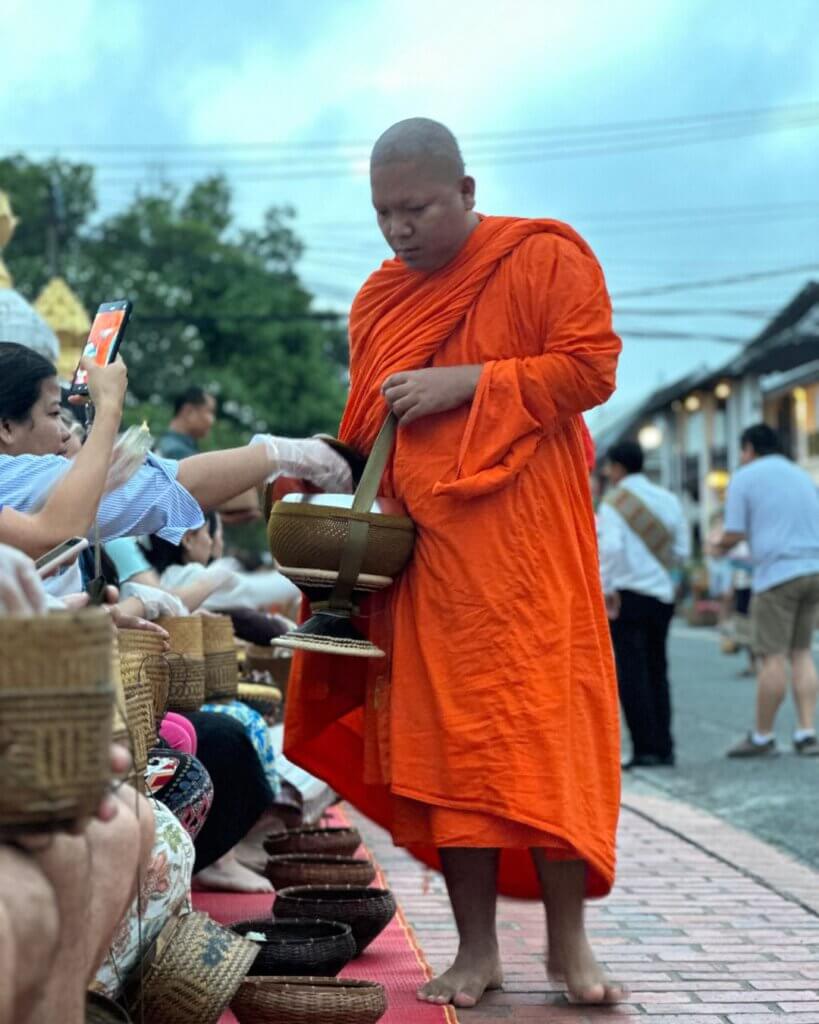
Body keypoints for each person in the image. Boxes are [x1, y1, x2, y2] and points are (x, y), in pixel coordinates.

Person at [285, 118, 623, 1007]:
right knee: (451, 759)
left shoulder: (542, 258)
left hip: (531, 555)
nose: (399, 228)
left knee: (547, 743)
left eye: (417, 208)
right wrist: (314, 469)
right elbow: (366, 430)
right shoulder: (378, 300)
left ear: (466, 193)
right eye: (383, 212)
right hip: (429, 563)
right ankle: (477, 952)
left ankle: (569, 948)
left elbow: (590, 368)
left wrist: (467, 381)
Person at [717, 423, 819, 757]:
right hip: (812, 568)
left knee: (772, 656)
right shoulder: (801, 474)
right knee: (801, 653)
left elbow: (733, 532)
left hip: (777, 574)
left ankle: (763, 736)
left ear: (749, 448)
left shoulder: (745, 477)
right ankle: (806, 732)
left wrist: (715, 546)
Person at [598, 440, 690, 769]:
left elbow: (610, 550)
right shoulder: (668, 499)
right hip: (661, 596)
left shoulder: (613, 504)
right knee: (658, 670)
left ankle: (644, 748)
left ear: (618, 468)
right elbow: (681, 550)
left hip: (627, 596)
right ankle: (665, 746)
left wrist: (605, 588)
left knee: (632, 674)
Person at [157, 386, 216, 460]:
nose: (212, 420)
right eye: (210, 412)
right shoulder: (177, 452)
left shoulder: (162, 444)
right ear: (189, 411)